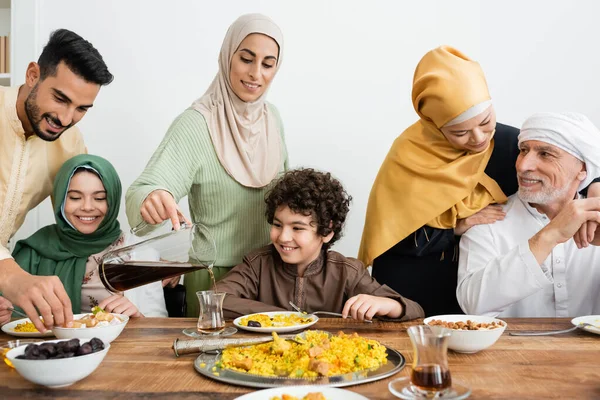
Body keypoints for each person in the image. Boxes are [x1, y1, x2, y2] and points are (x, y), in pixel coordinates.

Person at [358, 46, 600, 317]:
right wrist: (455, 228)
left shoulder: (509, 142)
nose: (478, 139)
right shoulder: (407, 159)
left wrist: (596, 190)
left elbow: (576, 155)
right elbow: (391, 234)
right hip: (414, 286)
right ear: (435, 127)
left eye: (485, 122)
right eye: (459, 132)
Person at [126, 14, 288, 317]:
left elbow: (289, 197)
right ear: (227, 56)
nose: (256, 73)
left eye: (267, 64)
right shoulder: (196, 123)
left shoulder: (272, 119)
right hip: (217, 279)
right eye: (246, 59)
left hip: (273, 273)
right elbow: (145, 188)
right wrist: (153, 197)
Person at [0, 29, 113, 331]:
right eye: (60, 99)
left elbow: (81, 223)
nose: (65, 118)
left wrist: (152, 267)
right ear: (33, 75)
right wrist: (10, 275)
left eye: (81, 109)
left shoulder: (69, 142)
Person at [219, 169, 424, 321]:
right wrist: (287, 318)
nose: (283, 237)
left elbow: (415, 311)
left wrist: (388, 304)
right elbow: (215, 300)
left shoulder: (347, 271)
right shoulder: (257, 264)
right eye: (277, 224)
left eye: (297, 228)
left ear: (326, 232)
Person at [457, 112, 600, 317]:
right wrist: (550, 235)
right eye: (523, 150)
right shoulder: (488, 221)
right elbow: (473, 304)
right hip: (513, 349)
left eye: (545, 154)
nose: (523, 166)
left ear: (583, 169)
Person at [9, 154, 167, 319]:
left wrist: (138, 317)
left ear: (112, 201)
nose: (87, 207)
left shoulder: (141, 252)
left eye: (99, 198)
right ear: (60, 201)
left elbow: (158, 327)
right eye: (75, 197)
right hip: (47, 344)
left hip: (120, 344)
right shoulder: (35, 249)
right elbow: (11, 315)